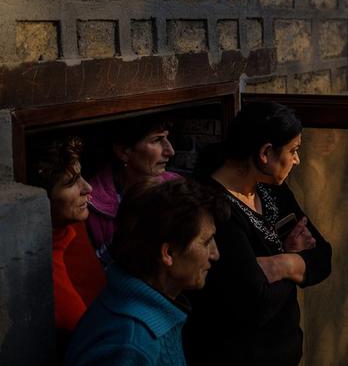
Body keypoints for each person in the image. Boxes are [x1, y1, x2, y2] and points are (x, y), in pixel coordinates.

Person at [184, 102, 332, 366]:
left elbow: (323, 257)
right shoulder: (213, 205)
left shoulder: (272, 189)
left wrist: (281, 263)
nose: (297, 160)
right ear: (265, 153)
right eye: (293, 151)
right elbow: (256, 303)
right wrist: (296, 261)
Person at [65, 178, 229, 365]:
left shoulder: (143, 315)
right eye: (206, 242)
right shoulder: (129, 344)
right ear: (168, 253)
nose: (215, 254)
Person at [28, 136, 106, 360]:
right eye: (71, 183)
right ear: (41, 198)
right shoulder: (41, 268)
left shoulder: (74, 225)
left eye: (81, 177)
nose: (88, 188)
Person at [87, 115, 180, 266]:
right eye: (156, 140)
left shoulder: (177, 187)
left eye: (167, 138)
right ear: (124, 151)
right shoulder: (90, 202)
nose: (170, 151)